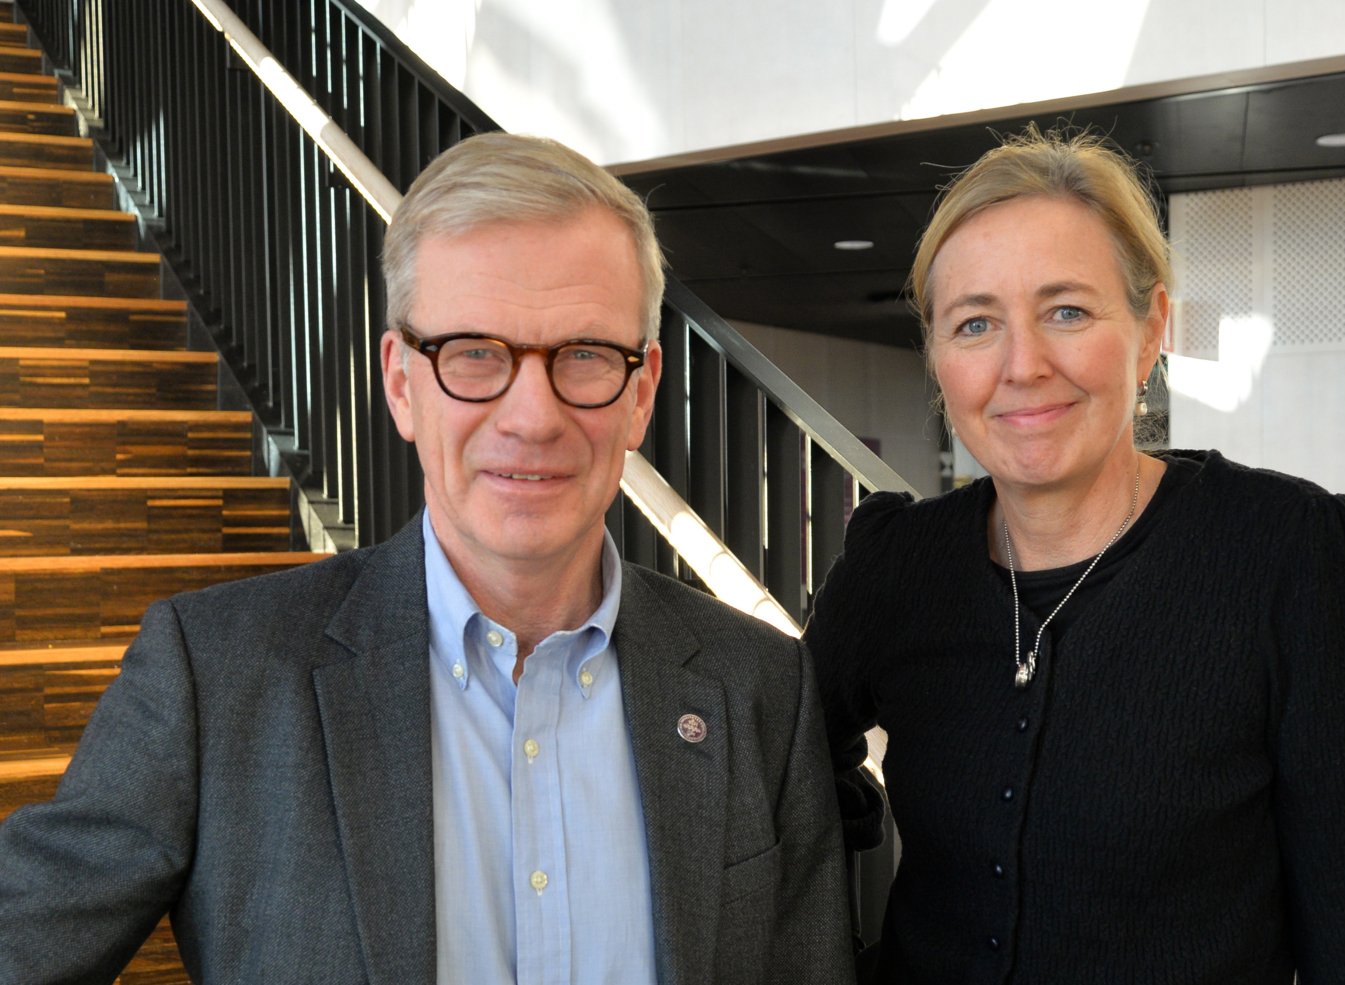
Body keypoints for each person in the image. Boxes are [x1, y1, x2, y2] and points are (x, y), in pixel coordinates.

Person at [0, 133, 855, 985]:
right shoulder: (216, 674)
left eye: (585, 355)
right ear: (402, 383)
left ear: (641, 392)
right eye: (475, 353)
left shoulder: (761, 689)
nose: (533, 416)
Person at [804, 126, 1345, 985]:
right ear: (937, 355)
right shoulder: (898, 565)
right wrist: (838, 816)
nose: (1023, 365)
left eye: (1067, 311)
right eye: (975, 324)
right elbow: (775, 762)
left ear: (1151, 327)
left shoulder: (1285, 555)